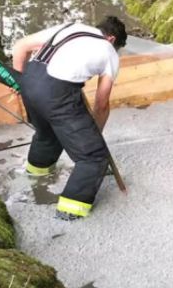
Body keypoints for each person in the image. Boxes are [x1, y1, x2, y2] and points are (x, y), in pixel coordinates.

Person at [12, 16, 127, 220]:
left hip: (28, 80)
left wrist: (19, 85)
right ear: (111, 39)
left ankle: (35, 176)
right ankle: (69, 211)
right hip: (57, 93)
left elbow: (20, 47)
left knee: (48, 134)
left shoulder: (70, 27)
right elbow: (101, 103)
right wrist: (94, 137)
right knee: (93, 157)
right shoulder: (108, 51)